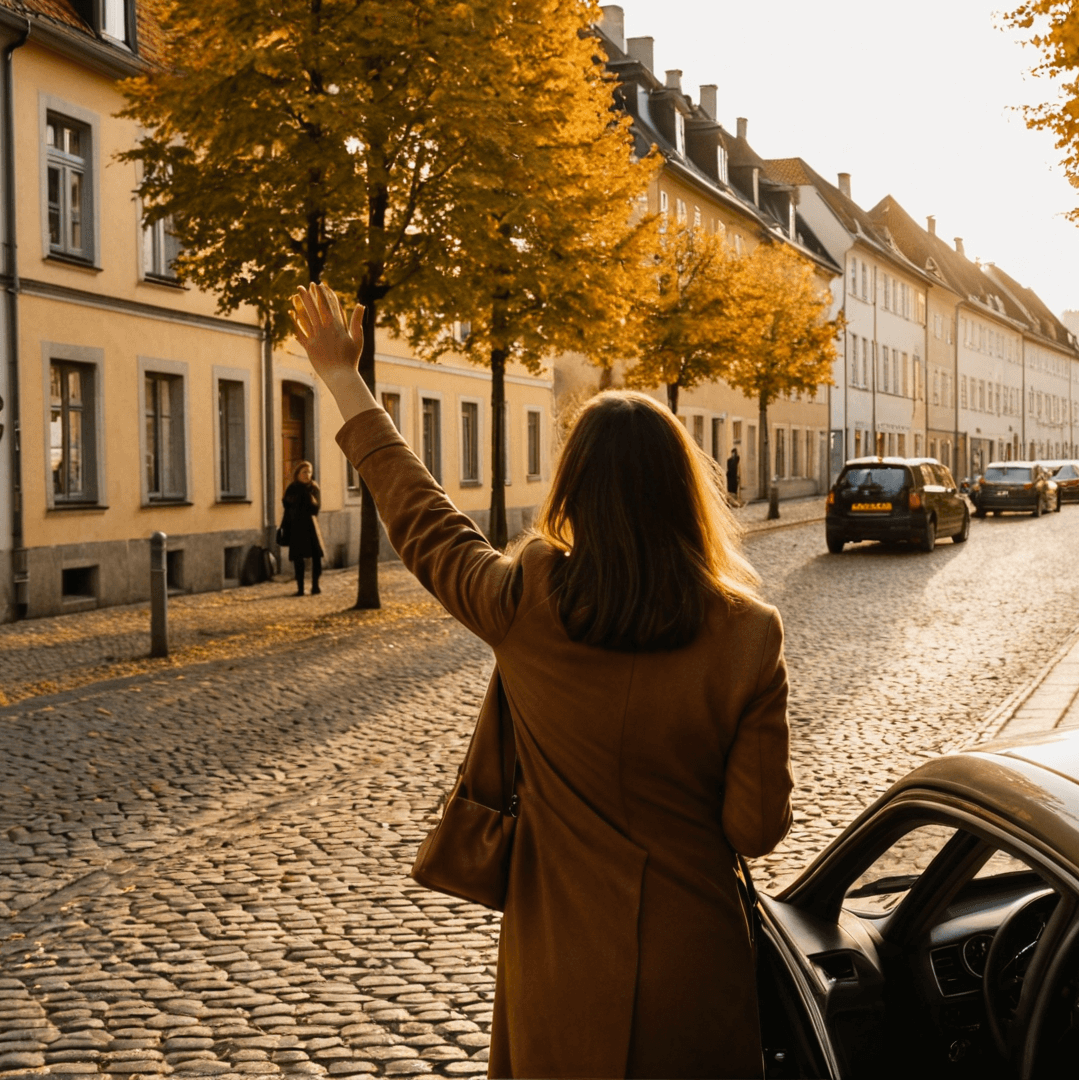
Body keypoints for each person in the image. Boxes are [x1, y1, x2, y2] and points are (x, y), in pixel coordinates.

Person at [291, 284, 793, 1079]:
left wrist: (344, 378)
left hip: (561, 962)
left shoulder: (526, 599)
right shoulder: (748, 635)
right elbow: (756, 828)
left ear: (574, 491)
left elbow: (425, 520)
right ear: (683, 491)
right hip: (694, 961)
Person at [280, 461, 323, 595]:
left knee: (316, 556)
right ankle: (300, 588)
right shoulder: (292, 488)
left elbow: (316, 508)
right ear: (298, 474)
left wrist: (309, 498)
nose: (307, 475)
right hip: (296, 527)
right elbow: (287, 505)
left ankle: (315, 586)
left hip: (311, 526)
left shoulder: (314, 488)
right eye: (304, 472)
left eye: (309, 472)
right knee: (298, 558)